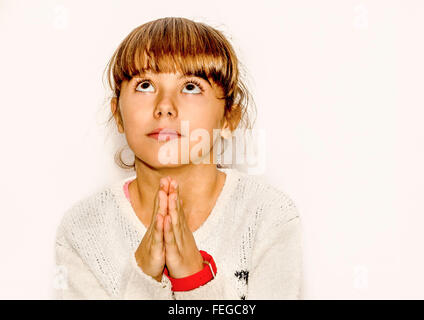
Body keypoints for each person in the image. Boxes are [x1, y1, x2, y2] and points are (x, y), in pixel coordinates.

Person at [53, 17, 303, 300]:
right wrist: (144, 279)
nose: (165, 107)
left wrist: (193, 279)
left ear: (229, 116)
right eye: (145, 85)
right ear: (118, 113)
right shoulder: (83, 230)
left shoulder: (268, 216)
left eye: (191, 86)